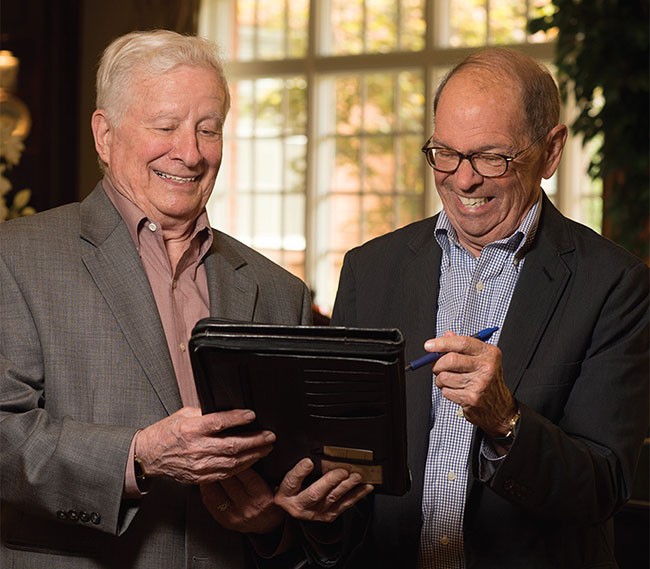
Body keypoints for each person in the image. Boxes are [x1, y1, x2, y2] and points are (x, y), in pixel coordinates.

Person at [0, 30, 371, 569]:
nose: (191, 153)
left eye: (208, 129)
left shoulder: (277, 292)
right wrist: (138, 458)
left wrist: (271, 523)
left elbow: (300, 487)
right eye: (166, 126)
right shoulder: (16, 257)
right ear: (104, 135)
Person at [330, 47, 649, 568]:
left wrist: (507, 421)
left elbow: (604, 486)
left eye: (490, 158)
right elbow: (347, 461)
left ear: (550, 152)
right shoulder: (370, 270)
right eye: (446, 153)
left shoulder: (614, 285)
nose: (462, 179)